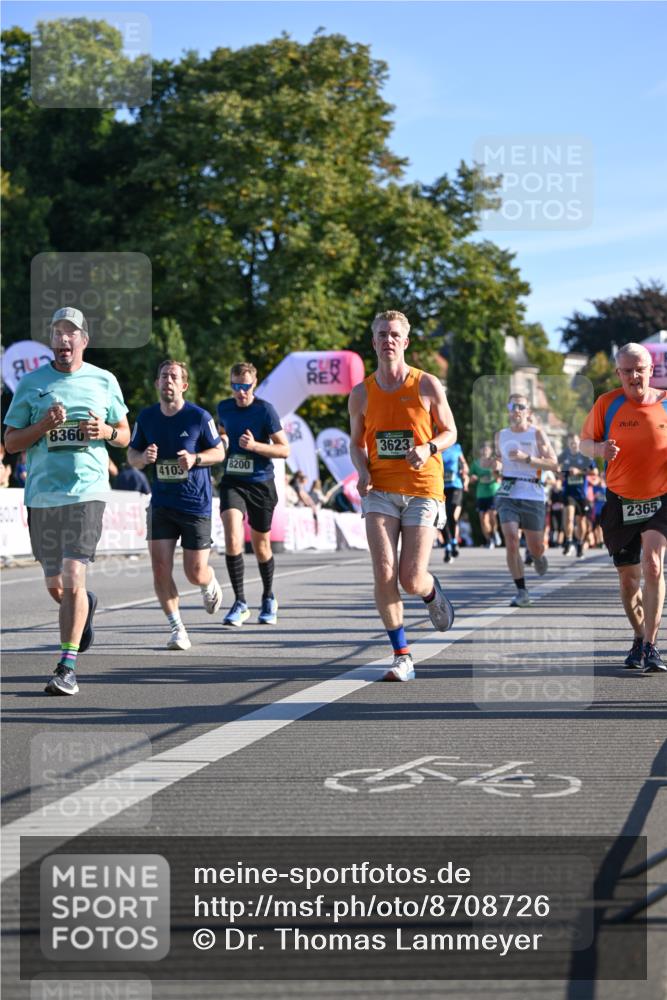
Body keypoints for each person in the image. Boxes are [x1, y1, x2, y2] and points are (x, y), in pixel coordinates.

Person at [3, 306, 130, 695]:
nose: (64, 339)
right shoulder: (32, 383)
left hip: (86, 491)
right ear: (51, 341)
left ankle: (67, 666)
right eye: (57, 333)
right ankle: (83, 605)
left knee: (74, 576)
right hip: (42, 494)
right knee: (58, 587)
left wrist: (105, 429)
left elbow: (125, 435)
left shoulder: (104, 380)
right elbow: (9, 442)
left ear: (83, 341)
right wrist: (43, 426)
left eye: (71, 333)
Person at [349, 309, 456, 683]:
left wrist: (428, 449)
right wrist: (362, 471)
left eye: (394, 334)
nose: (388, 340)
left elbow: (451, 432)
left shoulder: (426, 384)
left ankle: (430, 593)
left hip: (423, 489)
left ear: (405, 342)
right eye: (381, 334)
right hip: (380, 489)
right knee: (384, 572)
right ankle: (402, 655)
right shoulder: (361, 393)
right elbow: (356, 443)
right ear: (374, 341)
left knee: (411, 578)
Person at [580, 342, 667, 672]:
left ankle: (652, 645)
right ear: (618, 373)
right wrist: (600, 448)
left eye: (640, 369)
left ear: (650, 370)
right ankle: (638, 636)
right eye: (627, 370)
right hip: (621, 502)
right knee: (629, 581)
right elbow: (583, 443)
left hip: (661, 499)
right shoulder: (608, 403)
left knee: (654, 564)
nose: (634, 376)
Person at [128, 360, 225, 650]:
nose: (168, 381)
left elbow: (219, 451)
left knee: (194, 572)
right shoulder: (146, 418)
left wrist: (196, 459)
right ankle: (177, 629)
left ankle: (208, 582)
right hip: (161, 503)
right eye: (163, 376)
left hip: (195, 503)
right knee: (160, 568)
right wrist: (143, 458)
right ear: (157, 384)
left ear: (183, 385)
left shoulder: (198, 416)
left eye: (174, 376)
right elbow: (131, 455)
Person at [217, 362, 290, 626]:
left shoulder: (265, 411)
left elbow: (285, 450)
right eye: (235, 386)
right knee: (233, 537)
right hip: (233, 481)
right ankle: (239, 602)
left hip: (260, 483)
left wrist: (256, 446)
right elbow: (223, 431)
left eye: (245, 386)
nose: (240, 392)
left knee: (261, 546)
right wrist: (222, 441)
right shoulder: (224, 407)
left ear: (254, 384)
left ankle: (268, 597)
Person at [494, 393, 558, 607]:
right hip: (508, 493)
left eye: (521, 406)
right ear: (508, 410)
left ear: (528, 412)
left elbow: (553, 464)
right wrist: (493, 463)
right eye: (512, 406)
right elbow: (496, 458)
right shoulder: (501, 435)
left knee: (535, 546)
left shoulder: (537, 434)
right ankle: (521, 591)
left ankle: (538, 556)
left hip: (533, 493)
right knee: (511, 539)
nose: (517, 410)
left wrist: (527, 459)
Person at [559, 432, 596, 558]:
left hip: (582, 494)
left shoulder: (585, 456)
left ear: (579, 443)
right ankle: (569, 541)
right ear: (568, 444)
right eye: (571, 443)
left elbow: (594, 472)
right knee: (569, 516)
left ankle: (580, 543)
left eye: (575, 443)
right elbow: (556, 467)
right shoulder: (564, 455)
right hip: (568, 492)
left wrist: (579, 472)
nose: (573, 445)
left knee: (581, 521)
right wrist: (561, 474)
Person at [468, 441, 501, 548]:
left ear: (490, 451)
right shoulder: (476, 464)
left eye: (487, 449)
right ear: (480, 451)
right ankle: (489, 539)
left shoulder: (495, 462)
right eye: (483, 449)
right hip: (481, 494)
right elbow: (470, 477)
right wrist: (472, 478)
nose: (485, 451)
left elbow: (500, 477)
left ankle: (495, 533)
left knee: (492, 515)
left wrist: (497, 475)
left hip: (493, 491)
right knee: (483, 519)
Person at [440, 442, 469, 561]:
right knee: (442, 517)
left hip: (455, 485)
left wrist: (464, 469)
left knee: (450, 513)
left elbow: (464, 463)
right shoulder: (436, 446)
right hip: (440, 487)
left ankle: (453, 541)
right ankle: (447, 546)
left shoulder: (457, 447)